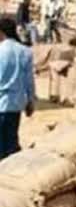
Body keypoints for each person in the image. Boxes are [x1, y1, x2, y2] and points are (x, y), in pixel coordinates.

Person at [0, 18, 35, 160]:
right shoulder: (25, 51)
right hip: (15, 104)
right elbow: (29, 81)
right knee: (11, 141)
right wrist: (30, 101)